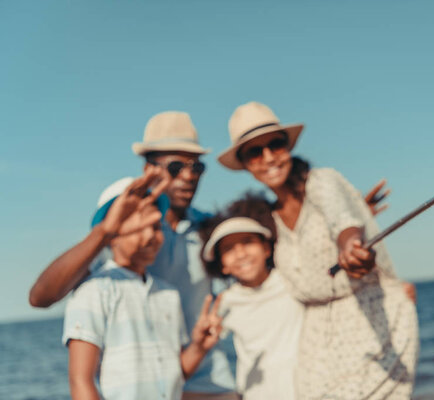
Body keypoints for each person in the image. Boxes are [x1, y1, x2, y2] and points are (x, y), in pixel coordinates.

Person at [217, 102, 419, 399]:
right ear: (246, 165)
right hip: (315, 342)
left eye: (275, 144)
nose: (269, 157)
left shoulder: (322, 182)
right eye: (255, 152)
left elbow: (346, 226)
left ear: (288, 146)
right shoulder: (269, 218)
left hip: (370, 320)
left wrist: (353, 251)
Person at [29, 111, 238, 399]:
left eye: (197, 167)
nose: (189, 176)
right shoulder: (116, 235)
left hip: (208, 380)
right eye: (176, 166)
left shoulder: (210, 229)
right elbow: (41, 298)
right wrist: (106, 232)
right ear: (148, 168)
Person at [63, 174, 224, 400]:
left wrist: (199, 346)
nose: (150, 235)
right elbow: (81, 381)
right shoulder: (93, 291)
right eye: (139, 226)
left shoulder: (168, 293)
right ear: (111, 234)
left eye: (157, 227)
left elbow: (175, 375)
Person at [200, 196, 303, 400]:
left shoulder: (292, 281)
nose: (241, 254)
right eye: (229, 249)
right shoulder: (225, 303)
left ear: (266, 248)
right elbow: (209, 340)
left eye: (248, 242)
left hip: (308, 391)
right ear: (223, 265)